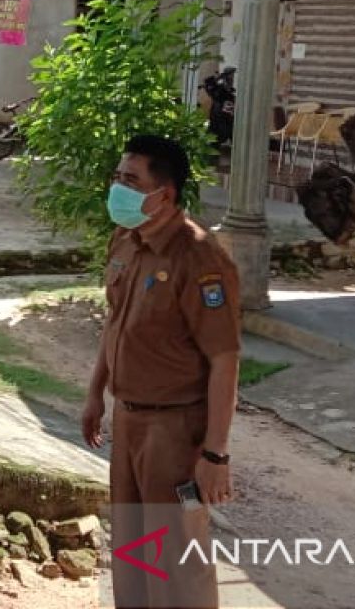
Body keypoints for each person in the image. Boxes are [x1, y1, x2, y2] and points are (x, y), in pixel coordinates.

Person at [81, 135, 241, 609]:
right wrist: (96, 394)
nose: (118, 188)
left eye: (131, 180)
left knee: (178, 555)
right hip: (128, 420)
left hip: (175, 431)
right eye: (117, 177)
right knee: (133, 550)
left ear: (164, 194)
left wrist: (215, 455)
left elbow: (224, 358)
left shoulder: (199, 257)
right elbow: (115, 322)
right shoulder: (127, 241)